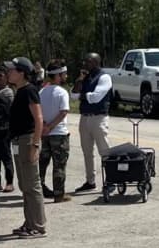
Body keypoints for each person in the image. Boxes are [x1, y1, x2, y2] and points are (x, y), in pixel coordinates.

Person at [5, 57, 46, 238]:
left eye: (12, 70)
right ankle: (29, 222)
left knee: (32, 184)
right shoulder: (19, 91)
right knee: (24, 184)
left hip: (28, 140)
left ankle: (38, 225)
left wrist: (35, 144)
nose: (9, 73)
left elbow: (38, 119)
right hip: (18, 141)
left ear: (22, 73)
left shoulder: (29, 91)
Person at [73, 53, 112, 193]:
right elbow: (73, 95)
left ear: (96, 62)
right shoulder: (85, 77)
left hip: (98, 118)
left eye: (88, 61)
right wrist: (79, 80)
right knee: (87, 152)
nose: (85, 64)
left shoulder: (104, 77)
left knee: (104, 150)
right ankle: (90, 181)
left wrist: (82, 96)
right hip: (84, 118)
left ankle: (111, 180)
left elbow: (96, 97)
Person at [38, 60, 72, 201]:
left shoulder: (42, 91)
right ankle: (59, 194)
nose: (65, 76)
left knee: (43, 164)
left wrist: (44, 126)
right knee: (59, 165)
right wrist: (51, 126)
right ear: (57, 76)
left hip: (45, 134)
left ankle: (39, 190)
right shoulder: (61, 92)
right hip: (58, 133)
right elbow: (63, 112)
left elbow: (38, 110)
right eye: (63, 74)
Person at [0, 67, 15, 193]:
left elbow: (6, 106)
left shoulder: (8, 92)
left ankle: (9, 182)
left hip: (4, 129)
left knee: (6, 156)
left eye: (1, 76)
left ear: (6, 78)